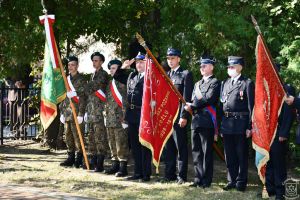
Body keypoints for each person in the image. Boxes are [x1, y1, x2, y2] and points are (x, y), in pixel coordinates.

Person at [184, 55, 220, 188]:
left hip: (206, 121)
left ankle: (206, 180)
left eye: (204, 66)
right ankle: (198, 178)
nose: (202, 68)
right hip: (196, 120)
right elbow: (195, 99)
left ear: (211, 67)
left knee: (206, 152)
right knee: (196, 151)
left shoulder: (215, 82)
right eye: (201, 66)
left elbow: (208, 99)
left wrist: (192, 106)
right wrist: (190, 106)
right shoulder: (197, 84)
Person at [220, 56, 254, 192]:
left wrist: (249, 126)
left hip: (241, 123)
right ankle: (231, 180)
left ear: (240, 67)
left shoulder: (247, 83)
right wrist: (221, 126)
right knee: (229, 155)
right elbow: (221, 105)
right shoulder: (226, 83)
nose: (229, 69)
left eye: (232, 67)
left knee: (241, 155)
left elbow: (251, 107)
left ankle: (241, 182)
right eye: (228, 67)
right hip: (227, 124)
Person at [161, 48, 193, 184]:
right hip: (167, 117)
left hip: (178, 116)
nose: (170, 61)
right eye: (168, 58)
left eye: (173, 58)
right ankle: (169, 174)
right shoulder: (166, 74)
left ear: (179, 59)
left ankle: (181, 176)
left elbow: (186, 98)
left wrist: (184, 116)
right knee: (169, 148)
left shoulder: (185, 74)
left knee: (181, 147)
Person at [125, 53, 152, 182]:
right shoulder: (132, 75)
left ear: (146, 64)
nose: (139, 65)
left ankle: (146, 173)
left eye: (141, 62)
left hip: (143, 114)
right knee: (134, 145)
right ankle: (137, 172)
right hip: (131, 114)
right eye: (137, 63)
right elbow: (117, 77)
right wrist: (124, 67)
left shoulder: (149, 77)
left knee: (144, 145)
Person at [59, 56, 87, 168]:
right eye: (69, 65)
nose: (71, 67)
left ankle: (79, 159)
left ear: (77, 65)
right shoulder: (66, 79)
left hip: (77, 113)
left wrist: (81, 113)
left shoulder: (81, 79)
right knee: (68, 136)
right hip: (67, 113)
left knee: (78, 137)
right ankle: (70, 157)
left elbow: (84, 97)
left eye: (73, 65)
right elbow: (64, 97)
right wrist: (62, 111)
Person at [85, 52, 110, 172]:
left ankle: (100, 163)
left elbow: (93, 86)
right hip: (91, 111)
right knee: (91, 137)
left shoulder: (103, 74)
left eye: (96, 60)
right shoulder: (92, 75)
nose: (94, 62)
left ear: (101, 62)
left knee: (100, 137)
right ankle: (92, 161)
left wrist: (84, 86)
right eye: (93, 60)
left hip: (99, 111)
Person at [104, 59, 129, 177]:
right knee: (112, 142)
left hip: (120, 118)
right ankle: (115, 164)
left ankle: (123, 167)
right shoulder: (110, 83)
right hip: (109, 117)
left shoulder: (124, 81)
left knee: (121, 143)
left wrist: (125, 118)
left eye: (114, 68)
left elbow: (125, 100)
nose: (112, 70)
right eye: (110, 68)